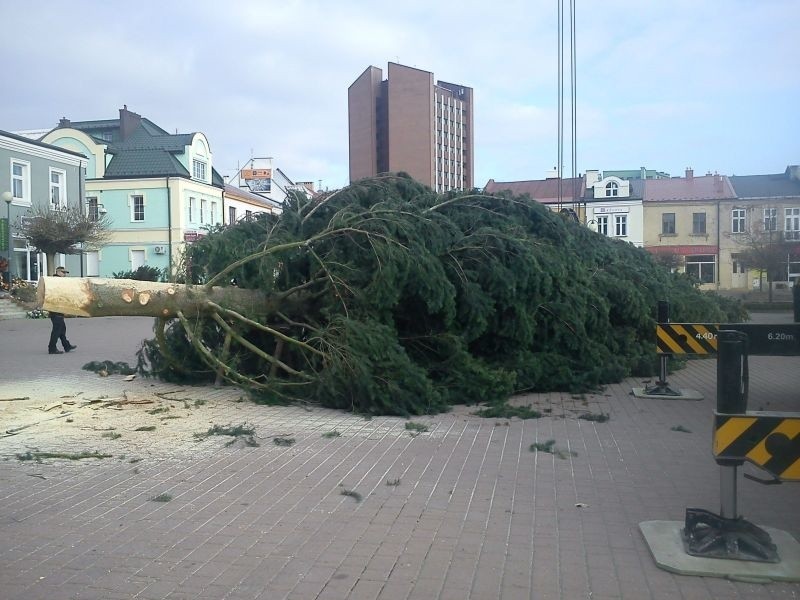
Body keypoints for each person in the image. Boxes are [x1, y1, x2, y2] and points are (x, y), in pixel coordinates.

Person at [48, 266, 77, 355]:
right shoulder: (55, 282)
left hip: (58, 310)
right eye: (63, 273)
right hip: (56, 310)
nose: (65, 275)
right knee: (57, 330)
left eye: (65, 273)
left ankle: (66, 346)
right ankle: (52, 348)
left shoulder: (60, 282)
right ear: (58, 272)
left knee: (62, 329)